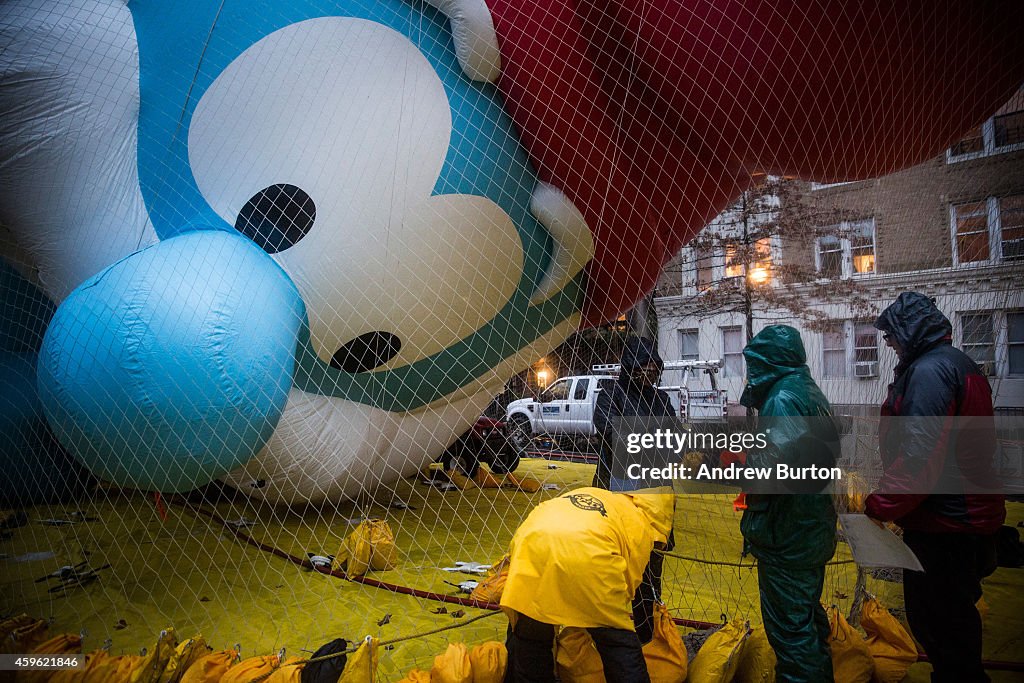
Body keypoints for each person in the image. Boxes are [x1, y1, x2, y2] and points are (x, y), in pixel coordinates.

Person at [865, 292, 1005, 683]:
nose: (888, 344)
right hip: (969, 516)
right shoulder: (960, 365)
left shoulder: (930, 372)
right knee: (955, 623)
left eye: (891, 335)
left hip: (945, 522)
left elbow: (920, 454)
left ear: (909, 332)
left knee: (942, 627)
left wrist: (880, 505)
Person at [730, 325, 838, 682]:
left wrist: (730, 462)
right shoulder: (808, 391)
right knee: (805, 623)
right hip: (808, 531)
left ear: (767, 362)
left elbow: (771, 469)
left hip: (787, 537)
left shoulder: (783, 398)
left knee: (791, 635)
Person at [500, 486, 674, 683]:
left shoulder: (598, 494)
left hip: (530, 542)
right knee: (617, 642)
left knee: (531, 633)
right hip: (590, 551)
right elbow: (626, 584)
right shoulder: (641, 524)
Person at [591, 335, 676, 645]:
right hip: (617, 497)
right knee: (611, 567)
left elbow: (674, 443)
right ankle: (607, 636)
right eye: (643, 366)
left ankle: (647, 639)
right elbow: (611, 432)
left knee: (651, 576)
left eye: (654, 367)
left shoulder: (661, 400)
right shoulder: (610, 395)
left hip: (653, 500)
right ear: (630, 366)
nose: (649, 372)